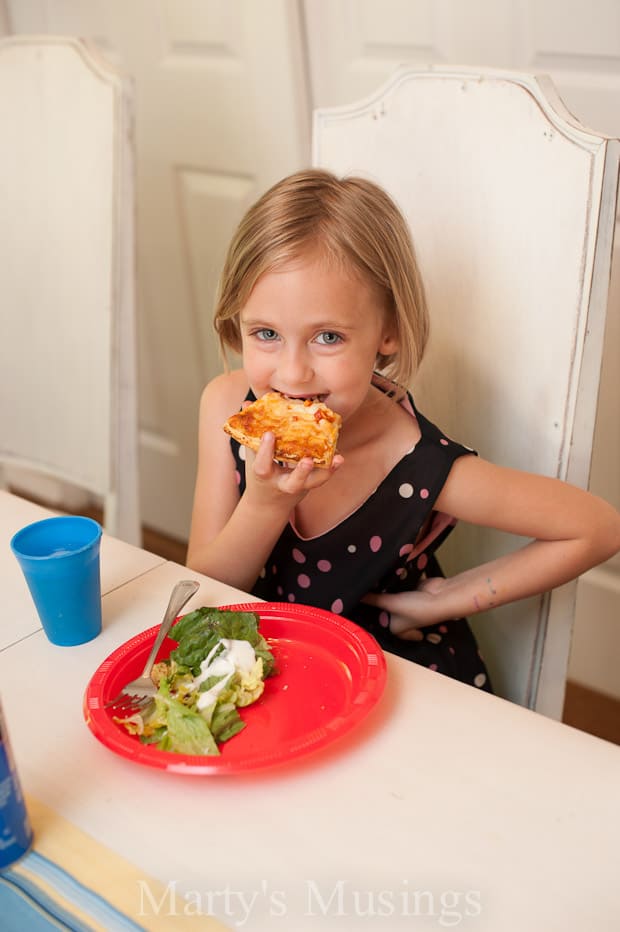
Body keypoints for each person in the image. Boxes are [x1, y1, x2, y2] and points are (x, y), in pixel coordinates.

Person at [187, 168, 620, 691]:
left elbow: (596, 527)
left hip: (393, 683)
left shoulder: (415, 463)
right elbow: (204, 595)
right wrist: (264, 506)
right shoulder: (225, 408)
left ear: (388, 330)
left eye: (327, 336)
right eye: (266, 334)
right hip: (267, 673)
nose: (292, 373)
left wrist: (445, 598)